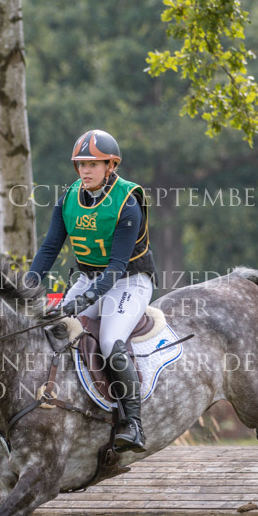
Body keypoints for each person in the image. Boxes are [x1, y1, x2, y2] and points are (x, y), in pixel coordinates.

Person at [25, 129, 158, 453]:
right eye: (81, 164)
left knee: (111, 341)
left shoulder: (128, 202)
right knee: (53, 332)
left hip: (129, 281)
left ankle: (133, 423)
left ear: (111, 166)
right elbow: (49, 248)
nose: (85, 171)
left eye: (93, 164)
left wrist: (85, 300)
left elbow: (117, 266)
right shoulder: (68, 199)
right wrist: (25, 288)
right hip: (87, 278)